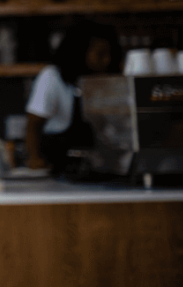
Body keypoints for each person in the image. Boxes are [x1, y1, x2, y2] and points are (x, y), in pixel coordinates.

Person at [25, 22, 122, 174]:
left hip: (99, 168)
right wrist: (35, 159)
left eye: (110, 54)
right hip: (59, 169)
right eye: (100, 54)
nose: (107, 60)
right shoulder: (52, 77)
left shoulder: (105, 82)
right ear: (80, 52)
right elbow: (33, 124)